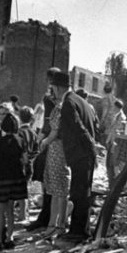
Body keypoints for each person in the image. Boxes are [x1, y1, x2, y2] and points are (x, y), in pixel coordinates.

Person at [54, 71, 97, 242]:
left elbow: (79, 127)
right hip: (85, 153)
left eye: (53, 88)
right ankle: (81, 229)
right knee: (83, 192)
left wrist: (90, 146)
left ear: (58, 88)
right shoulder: (82, 101)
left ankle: (78, 232)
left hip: (81, 154)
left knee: (79, 193)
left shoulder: (68, 103)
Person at [0, 113, 28, 249]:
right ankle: (10, 238)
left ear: (3, 126)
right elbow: (25, 160)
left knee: (0, 210)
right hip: (16, 177)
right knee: (10, 209)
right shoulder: (21, 140)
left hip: (1, 178)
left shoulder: (0, 141)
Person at [26, 67, 60, 232]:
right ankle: (50, 218)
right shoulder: (64, 98)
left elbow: (48, 123)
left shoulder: (49, 98)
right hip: (59, 143)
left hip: (50, 141)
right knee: (53, 183)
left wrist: (41, 139)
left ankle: (46, 218)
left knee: (46, 179)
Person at [40, 89, 70, 239]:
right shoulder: (61, 108)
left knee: (59, 190)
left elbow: (55, 131)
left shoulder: (60, 109)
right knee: (56, 190)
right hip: (57, 150)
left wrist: (44, 141)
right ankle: (54, 224)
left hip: (58, 150)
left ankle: (58, 225)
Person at [17, 106, 38, 221]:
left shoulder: (19, 132)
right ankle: (25, 212)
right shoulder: (33, 133)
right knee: (26, 188)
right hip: (29, 163)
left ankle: (21, 214)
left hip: (20, 163)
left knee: (19, 189)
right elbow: (36, 150)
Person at [105, 99, 126, 186]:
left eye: (114, 107)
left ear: (117, 107)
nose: (113, 109)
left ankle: (113, 184)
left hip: (116, 144)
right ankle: (111, 183)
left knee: (113, 165)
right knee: (109, 164)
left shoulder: (122, 118)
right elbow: (112, 130)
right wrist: (108, 141)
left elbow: (118, 132)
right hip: (112, 143)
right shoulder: (117, 116)